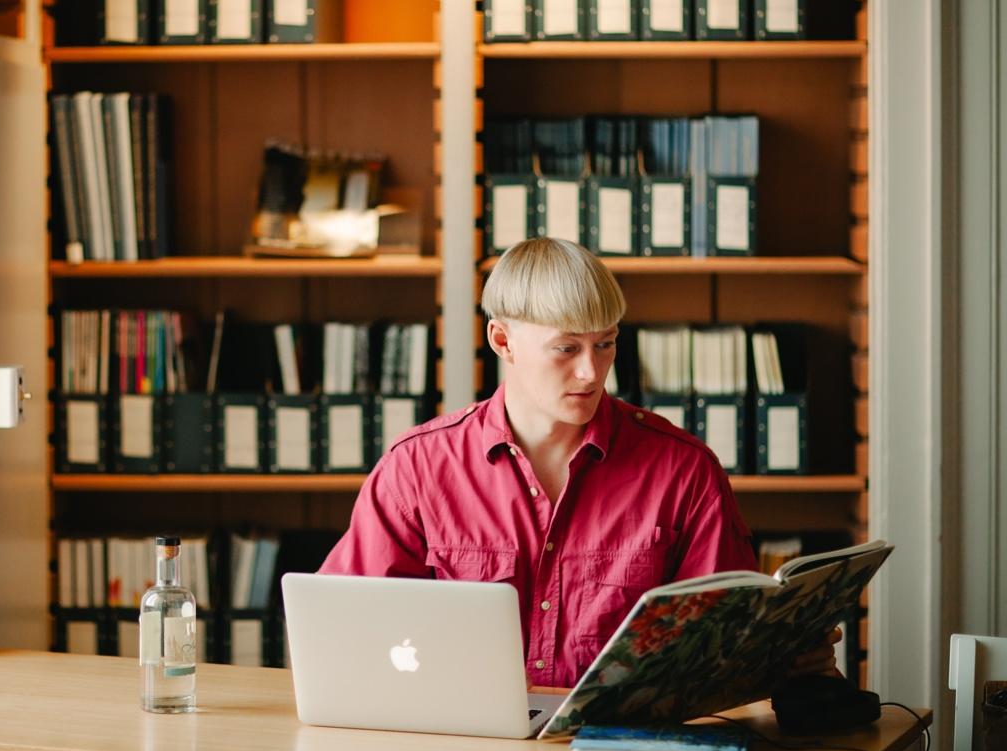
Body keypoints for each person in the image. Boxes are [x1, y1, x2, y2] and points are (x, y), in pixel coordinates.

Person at [320, 236, 838, 687]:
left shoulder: (683, 470)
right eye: (565, 349)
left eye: (606, 344)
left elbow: (725, 647)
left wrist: (784, 654)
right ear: (502, 340)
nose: (591, 372)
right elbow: (342, 627)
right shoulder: (418, 468)